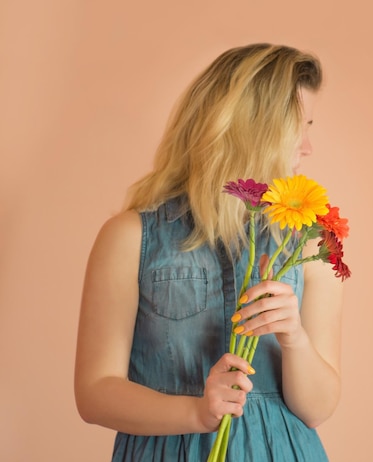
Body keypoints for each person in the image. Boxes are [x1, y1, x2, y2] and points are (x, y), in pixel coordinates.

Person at [74, 43, 344, 461]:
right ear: (249, 129)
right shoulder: (129, 237)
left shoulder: (308, 242)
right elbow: (94, 393)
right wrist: (195, 413)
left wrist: (295, 339)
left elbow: (319, 407)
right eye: (298, 127)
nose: (307, 147)